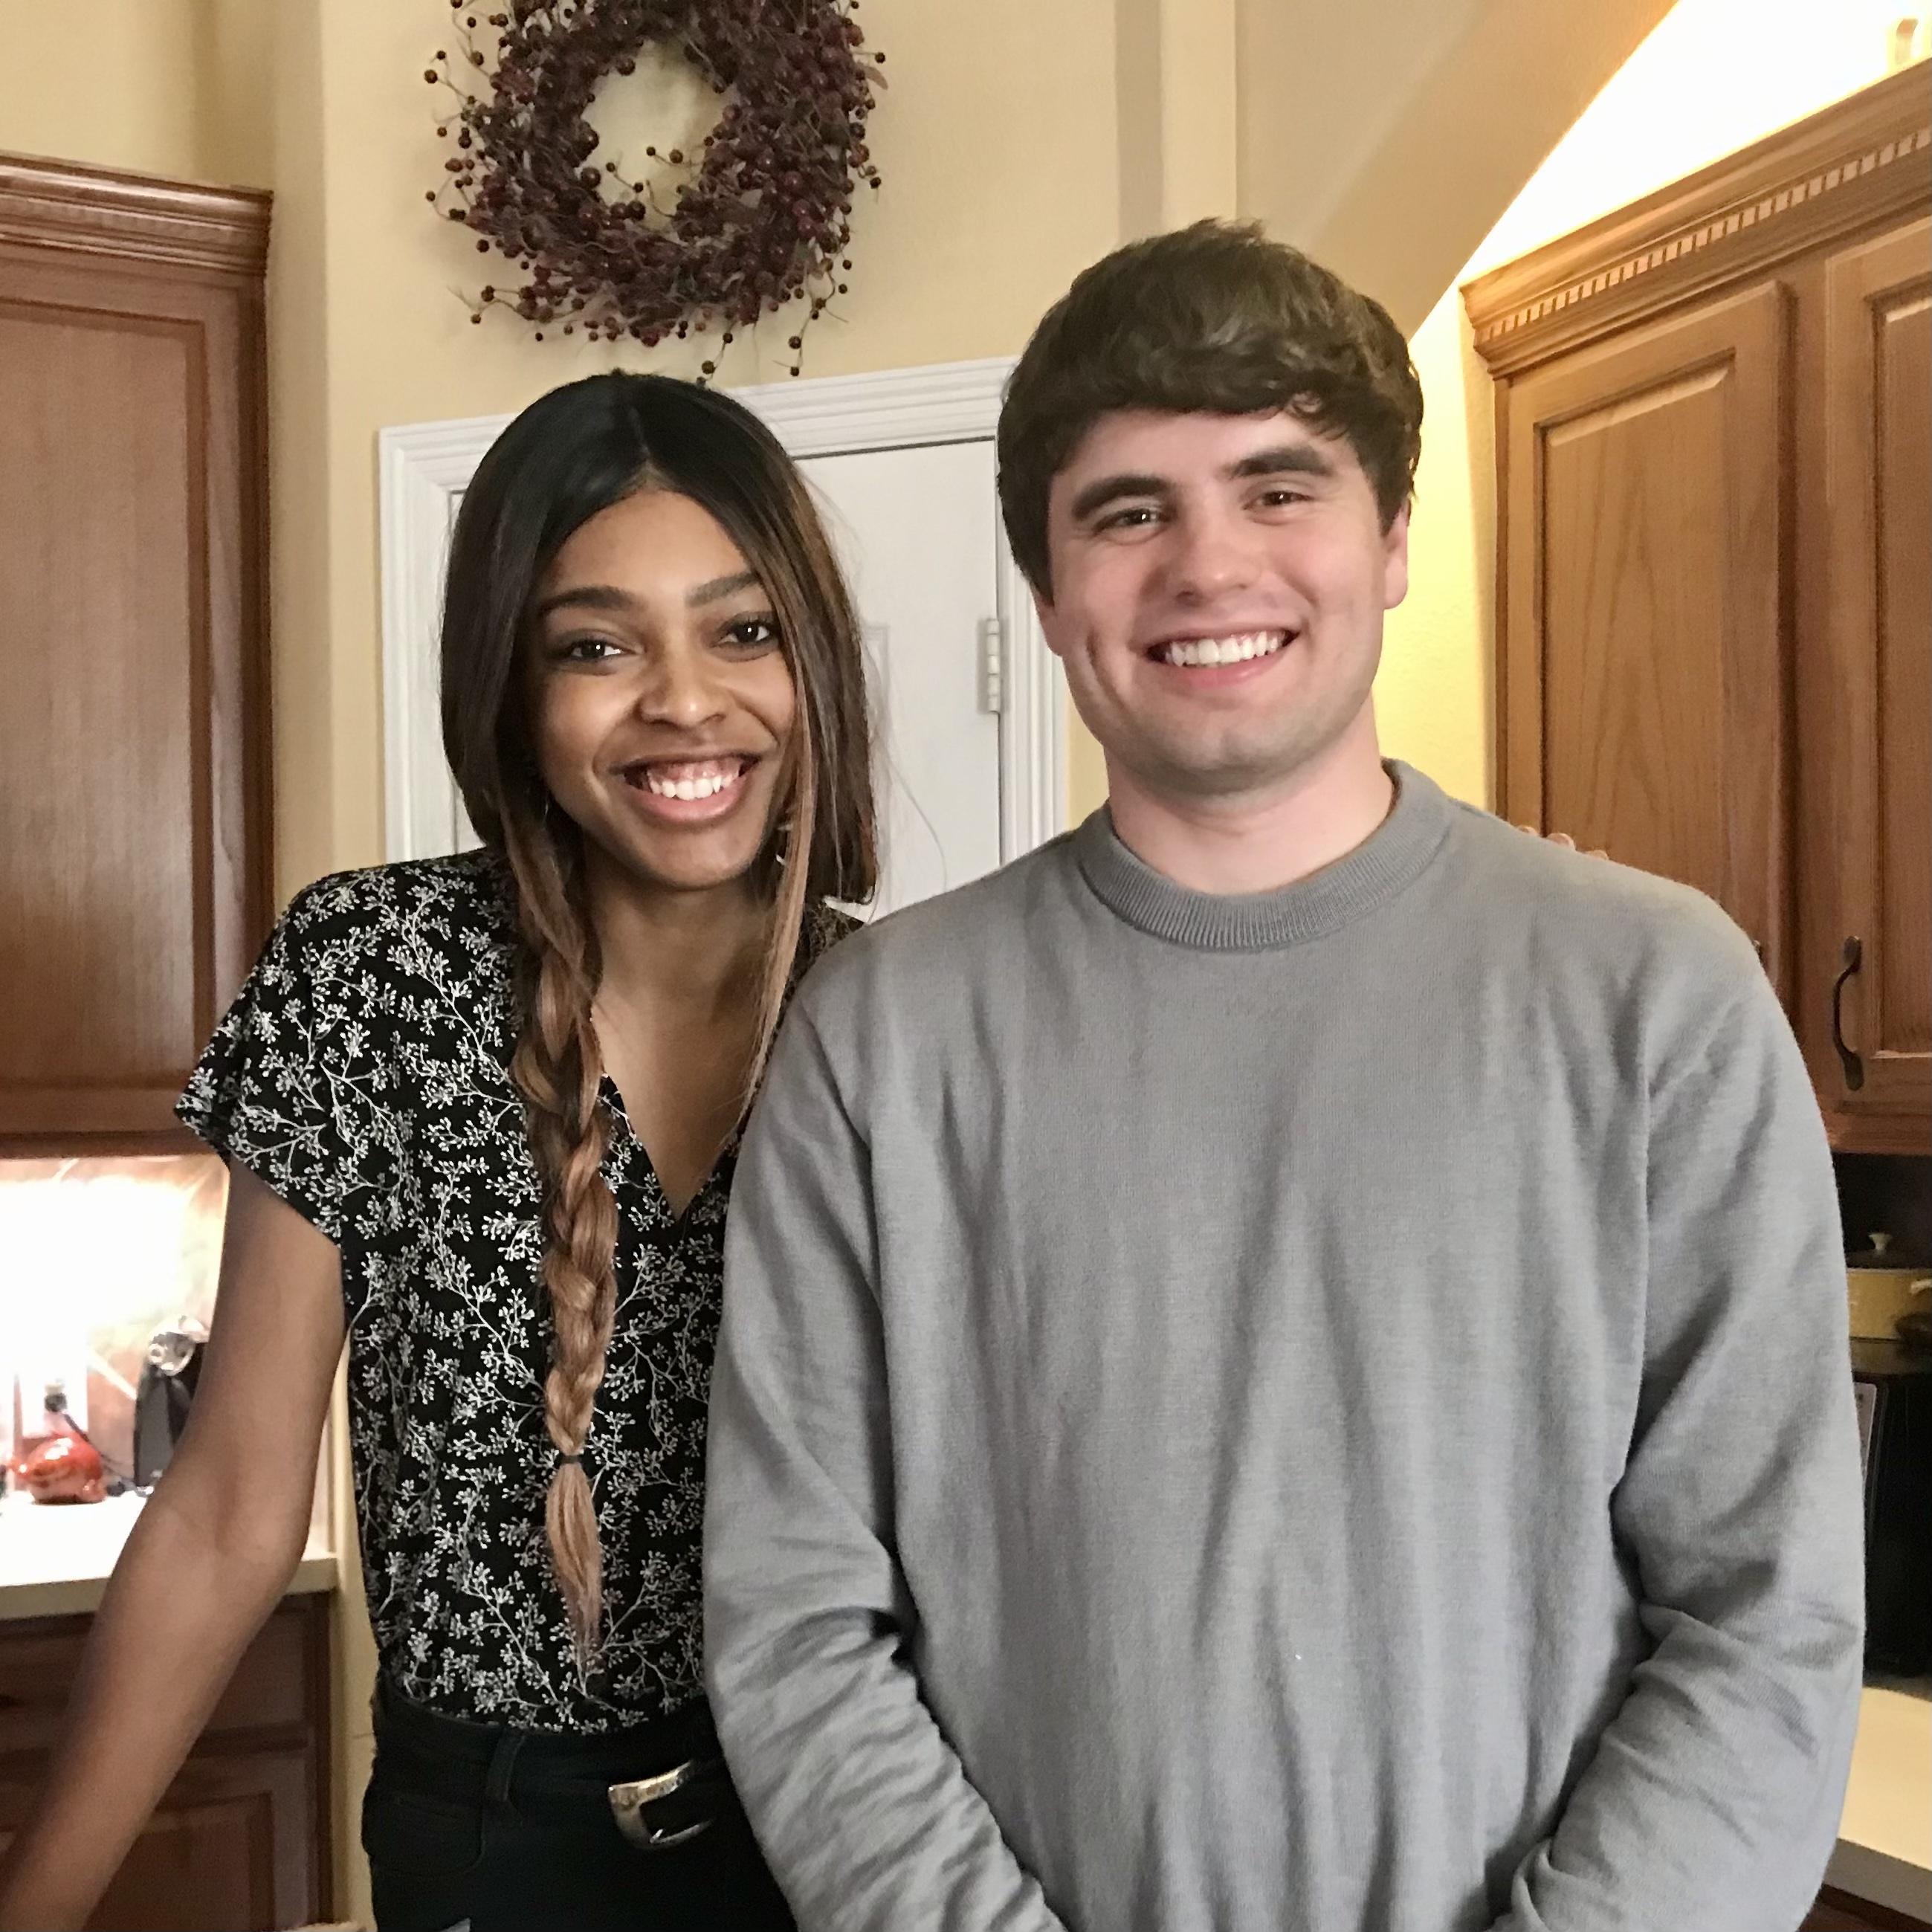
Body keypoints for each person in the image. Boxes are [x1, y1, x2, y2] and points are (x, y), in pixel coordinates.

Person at [703, 222, 1865, 1932]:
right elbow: (796, 1626)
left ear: (1389, 543)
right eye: (1128, 511)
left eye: (1277, 486)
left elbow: (1764, 1620)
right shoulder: (880, 1039)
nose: (1208, 564)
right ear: (1048, 591)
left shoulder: (1655, 996)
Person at [0, 372, 875, 1932]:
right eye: (596, 646)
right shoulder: (371, 972)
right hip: (492, 1838)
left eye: (741, 630)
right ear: (510, 690)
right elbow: (228, 1507)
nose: (685, 700)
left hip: (842, 1815)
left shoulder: (890, 1013)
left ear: (810, 658)